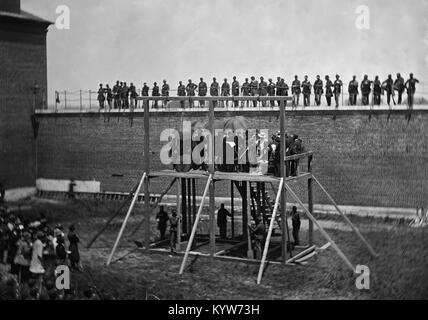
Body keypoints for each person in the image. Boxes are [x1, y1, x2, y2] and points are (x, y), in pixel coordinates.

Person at [30, 231, 45, 296]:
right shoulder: (40, 243)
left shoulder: (35, 242)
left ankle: (33, 293)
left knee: (34, 280)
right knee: (39, 280)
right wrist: (43, 263)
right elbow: (39, 256)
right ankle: (38, 293)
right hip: (38, 264)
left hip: (33, 263)